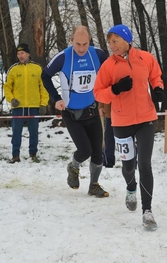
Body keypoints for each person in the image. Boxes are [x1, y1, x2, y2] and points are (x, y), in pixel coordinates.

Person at [94, 24, 165, 230]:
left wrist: (158, 89)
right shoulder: (108, 66)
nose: (112, 46)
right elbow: (98, 92)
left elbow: (155, 75)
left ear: (127, 39)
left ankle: (147, 211)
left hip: (145, 119)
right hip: (121, 121)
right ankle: (131, 187)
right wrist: (115, 89)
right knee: (128, 166)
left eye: (115, 41)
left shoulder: (145, 58)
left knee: (144, 164)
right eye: (109, 42)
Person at [41, 25, 109, 198]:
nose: (81, 48)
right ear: (71, 40)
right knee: (84, 150)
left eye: (85, 44)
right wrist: (56, 99)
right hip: (71, 113)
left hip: (92, 110)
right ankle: (73, 166)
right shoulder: (63, 57)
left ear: (90, 41)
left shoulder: (98, 54)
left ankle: (94, 185)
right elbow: (45, 75)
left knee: (98, 153)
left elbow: (110, 72)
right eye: (77, 44)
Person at [4, 43, 49, 164]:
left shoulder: (37, 68)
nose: (20, 56)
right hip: (18, 106)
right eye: (18, 54)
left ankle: (33, 153)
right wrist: (11, 99)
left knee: (34, 131)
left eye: (22, 53)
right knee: (16, 132)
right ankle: (15, 155)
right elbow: (7, 87)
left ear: (28, 54)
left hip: (34, 106)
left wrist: (43, 103)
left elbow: (43, 87)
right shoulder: (13, 69)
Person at [99, 102, 115, 168]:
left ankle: (133, 163)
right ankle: (108, 161)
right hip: (110, 110)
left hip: (129, 112)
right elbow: (102, 91)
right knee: (109, 138)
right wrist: (101, 106)